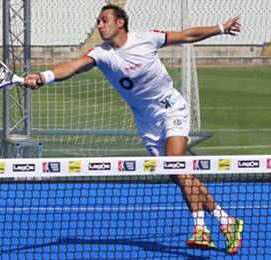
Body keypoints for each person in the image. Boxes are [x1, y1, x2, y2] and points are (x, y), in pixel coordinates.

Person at [23, 4, 243, 255]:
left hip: (171, 109)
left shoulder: (146, 39)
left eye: (104, 20)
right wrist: (44, 76)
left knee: (176, 164)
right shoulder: (102, 54)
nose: (99, 25)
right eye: (98, 21)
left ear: (120, 23)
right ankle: (227, 222)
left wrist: (221, 28)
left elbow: (187, 35)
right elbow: (72, 67)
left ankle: (200, 228)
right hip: (146, 122)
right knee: (178, 175)